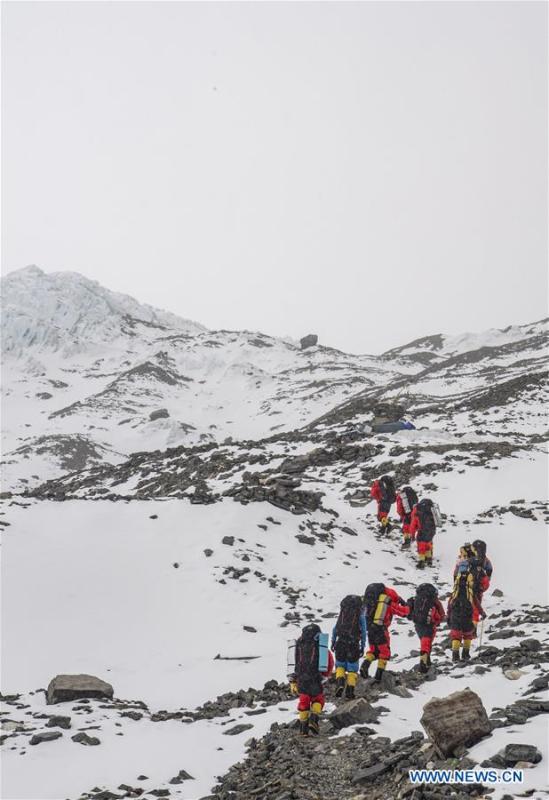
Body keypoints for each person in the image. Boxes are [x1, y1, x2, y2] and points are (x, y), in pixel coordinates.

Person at [290, 623, 334, 735]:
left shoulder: (299, 645)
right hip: (315, 677)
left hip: (301, 678)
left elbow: (293, 662)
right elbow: (329, 661)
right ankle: (313, 720)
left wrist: (293, 680)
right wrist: (325, 675)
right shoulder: (320, 645)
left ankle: (303, 729)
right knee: (318, 699)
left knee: (303, 701)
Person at [360, 583, 409, 682]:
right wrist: (408, 606)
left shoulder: (371, 601)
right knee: (385, 653)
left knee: (374, 651)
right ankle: (379, 676)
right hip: (381, 630)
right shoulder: (387, 601)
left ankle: (365, 665)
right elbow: (403, 612)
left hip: (370, 628)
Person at [447, 560, 485, 662]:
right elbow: (476, 603)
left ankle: (455, 656)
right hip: (467, 613)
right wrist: (482, 613)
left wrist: (448, 616)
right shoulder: (470, 591)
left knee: (456, 634)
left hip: (456, 613)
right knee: (468, 633)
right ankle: (465, 654)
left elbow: (450, 604)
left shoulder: (455, 592)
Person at [331, 595, 367, 699]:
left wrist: (333, 642)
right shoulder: (360, 615)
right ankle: (349, 692)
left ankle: (340, 684)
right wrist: (362, 646)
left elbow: (335, 629)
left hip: (340, 642)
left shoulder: (343, 613)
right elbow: (364, 632)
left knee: (340, 665)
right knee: (352, 669)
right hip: (353, 644)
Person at [407, 583, 446, 673]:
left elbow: (408, 611)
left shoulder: (416, 599)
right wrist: (438, 621)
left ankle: (427, 661)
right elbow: (441, 614)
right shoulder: (434, 600)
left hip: (418, 625)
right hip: (429, 625)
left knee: (424, 642)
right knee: (427, 643)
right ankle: (423, 664)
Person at [410, 498, 439, 568]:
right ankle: (429, 559)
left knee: (421, 545)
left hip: (423, 531)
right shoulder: (431, 509)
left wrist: (412, 535)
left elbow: (413, 524)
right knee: (428, 543)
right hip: (432, 530)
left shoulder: (418, 510)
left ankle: (421, 561)